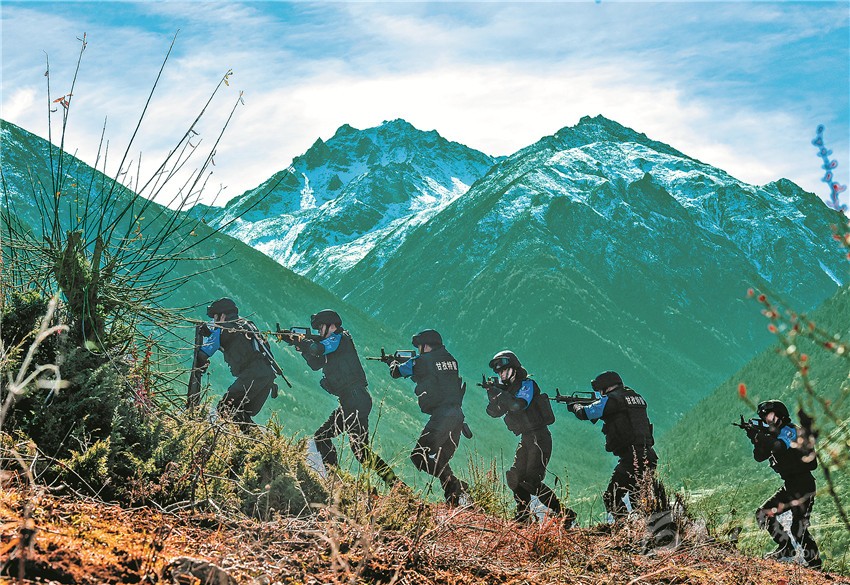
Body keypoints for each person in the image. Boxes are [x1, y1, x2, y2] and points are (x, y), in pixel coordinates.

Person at [288, 309, 398, 487]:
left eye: (320, 328)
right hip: (353, 400)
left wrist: (302, 341)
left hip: (354, 399)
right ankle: (340, 481)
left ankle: (340, 482)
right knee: (348, 447)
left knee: (348, 447)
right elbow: (316, 363)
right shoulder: (333, 342)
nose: (318, 332)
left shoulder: (339, 337)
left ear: (330, 325)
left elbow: (318, 348)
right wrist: (301, 348)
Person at [485, 350, 575, 526]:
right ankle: (523, 517)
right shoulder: (507, 391)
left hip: (539, 438)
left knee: (532, 481)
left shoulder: (527, 385)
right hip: (526, 438)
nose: (500, 374)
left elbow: (518, 405)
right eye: (498, 372)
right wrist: (493, 396)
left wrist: (501, 394)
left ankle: (565, 514)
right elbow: (494, 413)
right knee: (515, 477)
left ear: (514, 369)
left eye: (503, 370)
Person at [388, 329, 469, 505]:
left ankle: (457, 486)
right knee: (439, 459)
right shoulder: (451, 360)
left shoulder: (421, 361)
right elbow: (435, 378)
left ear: (425, 346)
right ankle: (455, 499)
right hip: (457, 417)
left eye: (419, 346)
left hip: (442, 417)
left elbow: (396, 372)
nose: (419, 350)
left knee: (419, 456)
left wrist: (392, 362)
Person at [569, 371, 657, 519]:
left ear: (606, 387)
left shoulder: (612, 400)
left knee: (611, 497)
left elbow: (585, 413)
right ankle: (646, 528)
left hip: (631, 458)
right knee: (639, 498)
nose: (600, 394)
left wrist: (575, 406)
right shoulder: (636, 397)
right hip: (649, 455)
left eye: (600, 390)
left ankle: (625, 527)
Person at [748, 400, 821, 568]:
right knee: (763, 514)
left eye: (769, 415)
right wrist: (756, 440)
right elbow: (759, 456)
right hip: (790, 485)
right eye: (765, 417)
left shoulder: (790, 431)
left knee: (798, 528)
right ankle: (786, 548)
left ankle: (815, 564)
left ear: (780, 415)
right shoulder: (773, 435)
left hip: (804, 486)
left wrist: (762, 437)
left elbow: (779, 447)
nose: (767, 420)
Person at [197, 297, 281, 426]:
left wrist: (201, 363)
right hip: (268, 376)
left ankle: (252, 439)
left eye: (214, 317)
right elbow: (237, 344)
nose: (214, 321)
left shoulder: (223, 329)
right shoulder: (245, 324)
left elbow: (204, 353)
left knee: (225, 408)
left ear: (222, 315)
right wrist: (211, 334)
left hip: (252, 375)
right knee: (241, 414)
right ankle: (257, 439)